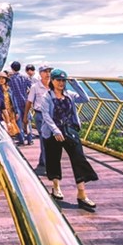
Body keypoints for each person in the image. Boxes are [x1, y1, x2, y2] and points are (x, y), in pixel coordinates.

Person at [40, 68, 98, 212]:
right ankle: (56, 187)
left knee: (79, 158)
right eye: (58, 80)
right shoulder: (46, 97)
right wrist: (56, 131)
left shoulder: (69, 95)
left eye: (63, 80)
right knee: (53, 158)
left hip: (69, 130)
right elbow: (46, 116)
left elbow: (85, 99)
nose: (61, 83)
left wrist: (75, 84)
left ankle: (82, 194)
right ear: (52, 81)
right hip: (53, 132)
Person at [24, 64, 53, 170]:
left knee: (49, 140)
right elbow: (29, 102)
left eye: (49, 71)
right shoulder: (35, 87)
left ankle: (42, 161)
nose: (48, 74)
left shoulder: (53, 86)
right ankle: (48, 166)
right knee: (45, 139)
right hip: (40, 115)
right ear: (40, 73)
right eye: (45, 71)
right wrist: (25, 117)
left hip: (52, 115)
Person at [7, 61, 32, 145]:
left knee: (18, 122)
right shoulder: (24, 77)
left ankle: (21, 139)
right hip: (25, 101)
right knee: (27, 120)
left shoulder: (10, 79)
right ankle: (30, 139)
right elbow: (31, 87)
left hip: (15, 102)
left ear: (12, 68)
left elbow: (9, 90)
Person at [0, 71, 20, 137]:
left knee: (13, 128)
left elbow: (14, 100)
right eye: (0, 78)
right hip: (2, 112)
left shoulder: (9, 89)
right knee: (4, 128)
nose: (1, 80)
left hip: (10, 111)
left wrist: (16, 112)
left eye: (3, 78)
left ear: (6, 80)